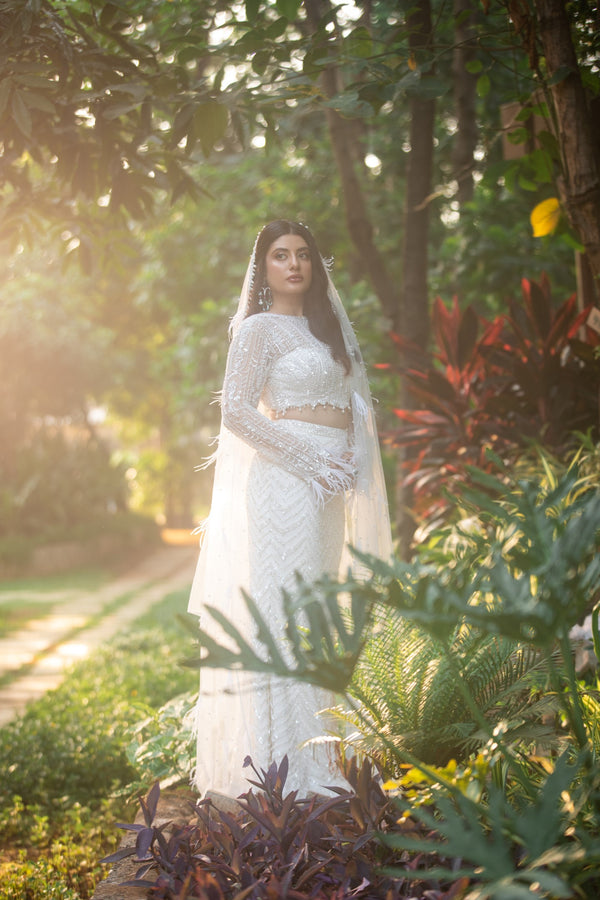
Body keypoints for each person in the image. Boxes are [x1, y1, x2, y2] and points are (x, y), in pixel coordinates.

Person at [188, 220, 392, 798]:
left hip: (331, 478)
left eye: (303, 254)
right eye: (281, 256)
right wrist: (309, 460)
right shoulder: (258, 330)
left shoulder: (327, 330)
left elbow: (352, 403)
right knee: (287, 610)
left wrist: (347, 457)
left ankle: (322, 748)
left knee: (321, 609)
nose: (294, 264)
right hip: (284, 477)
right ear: (264, 268)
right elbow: (237, 411)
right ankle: (286, 764)